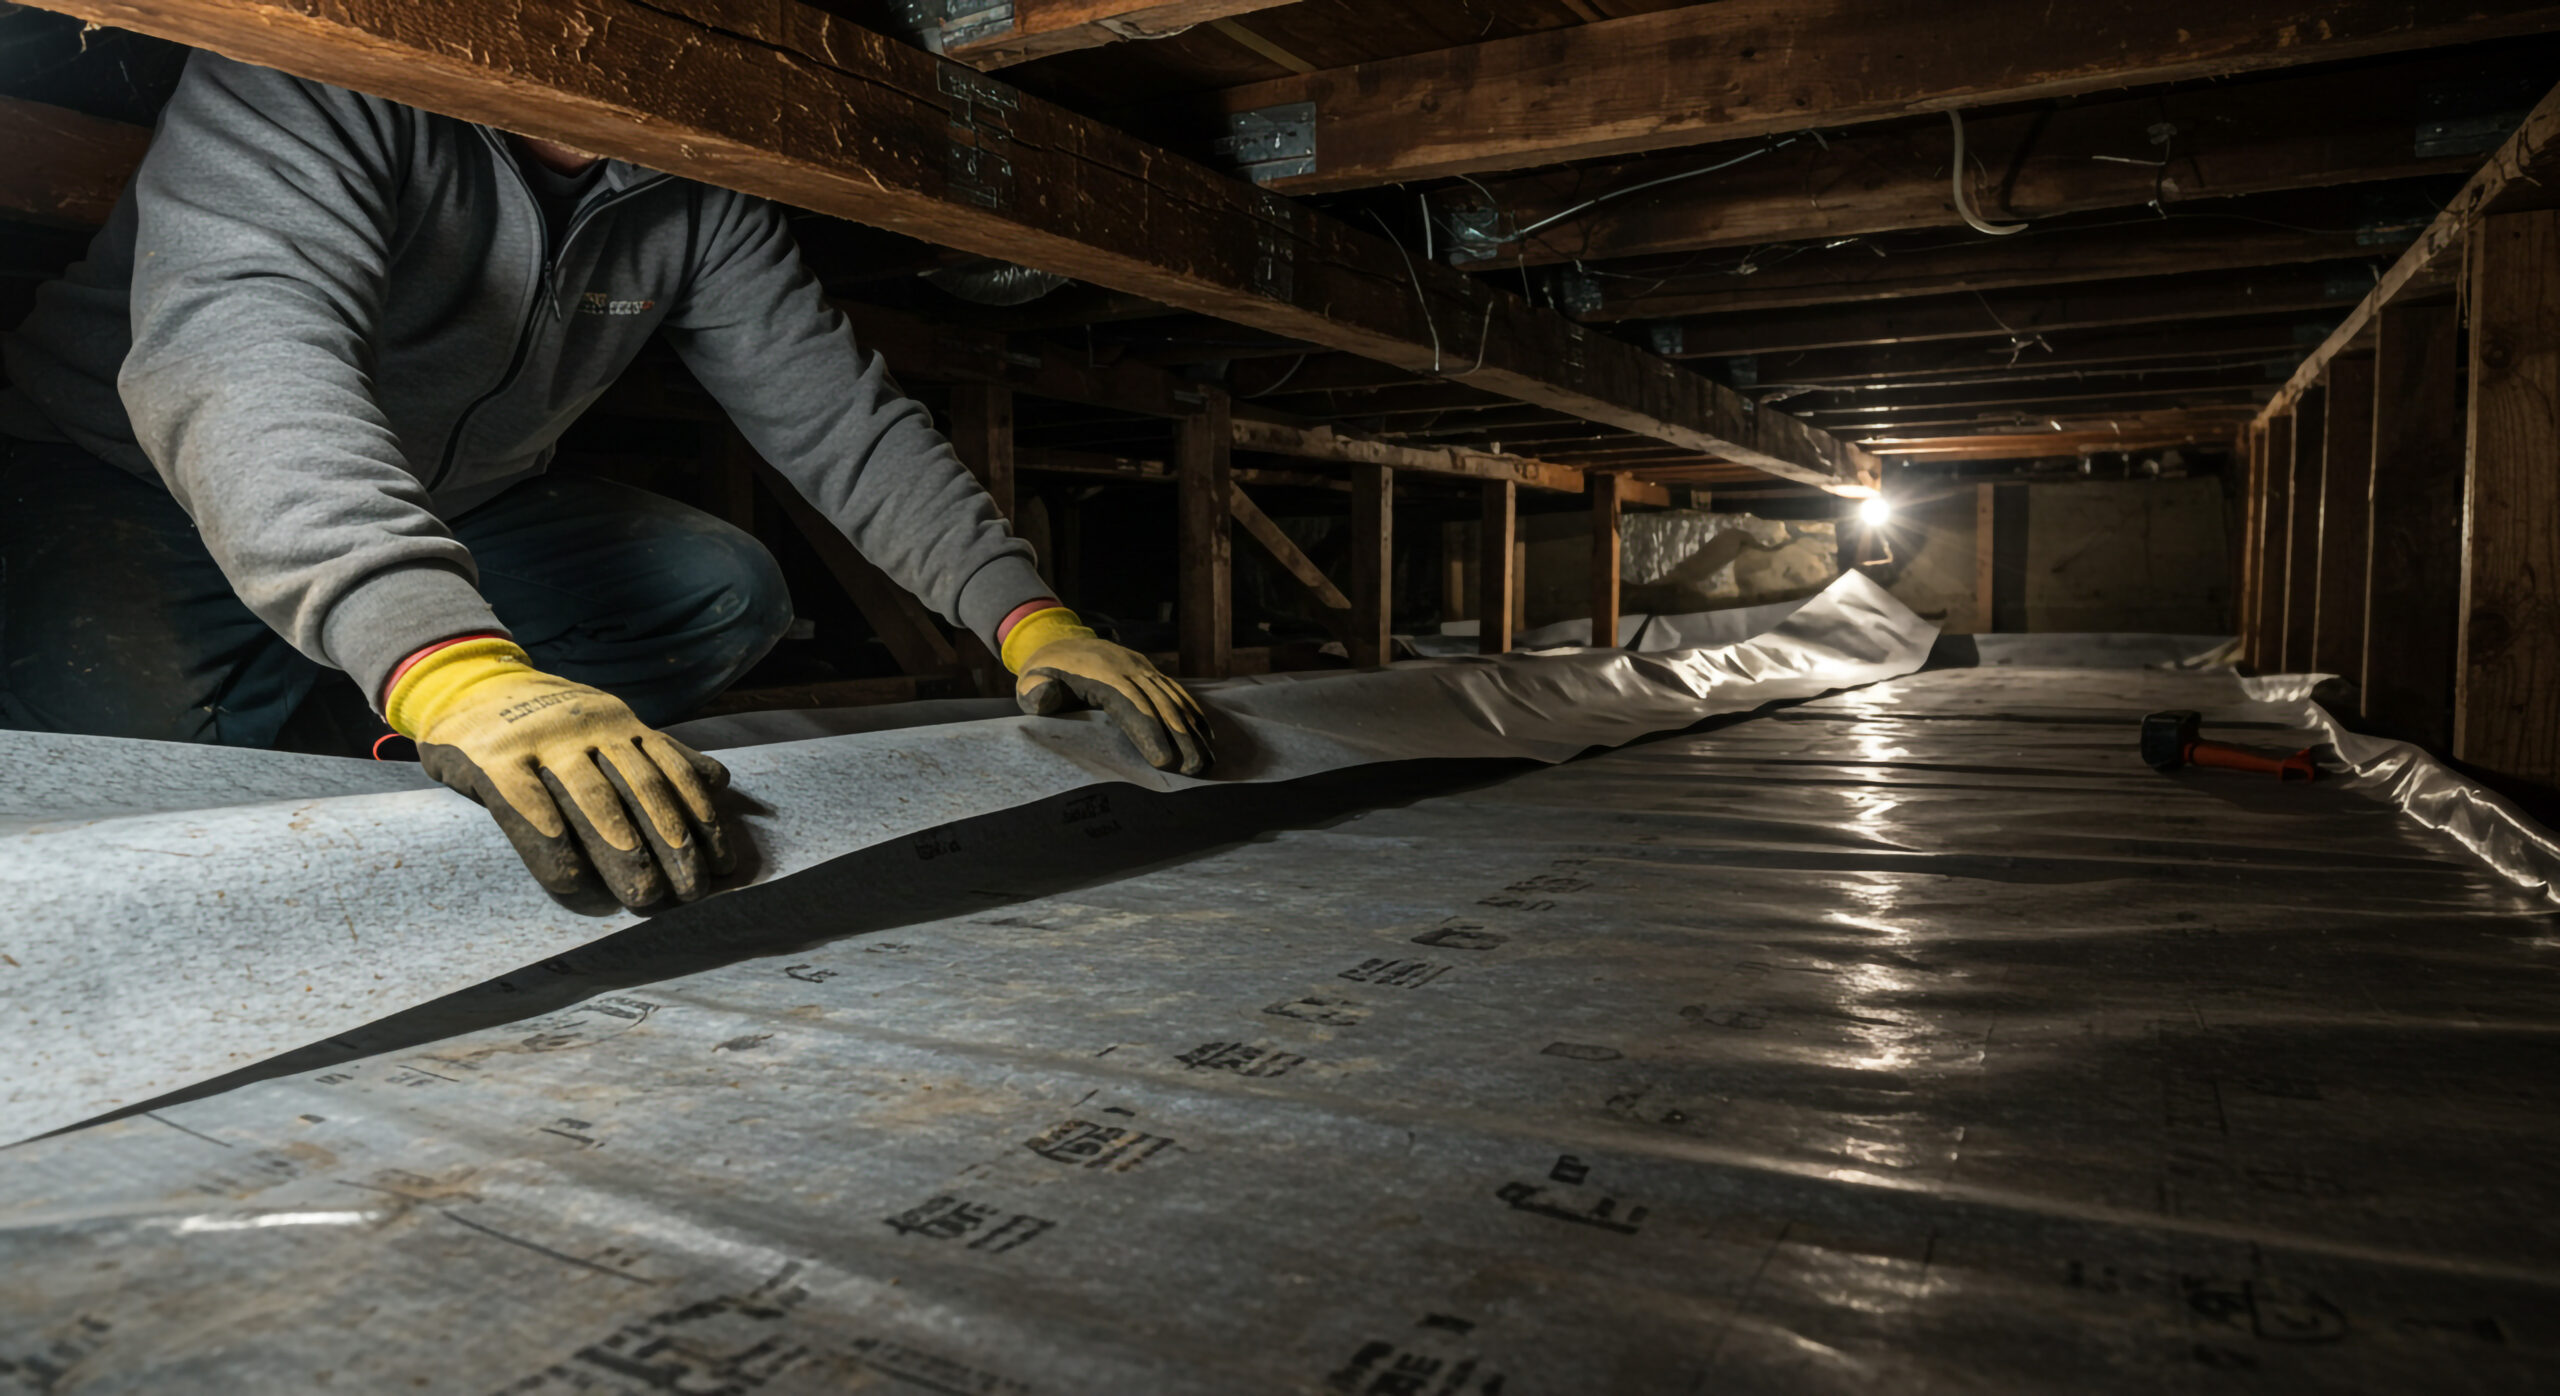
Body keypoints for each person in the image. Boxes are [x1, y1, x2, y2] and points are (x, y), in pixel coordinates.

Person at [0, 52, 1212, 911]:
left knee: (717, 586)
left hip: (444, 502)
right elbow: (242, 355)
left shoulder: (698, 196)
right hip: (118, 478)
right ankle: (393, 686)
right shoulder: (315, 64)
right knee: (150, 788)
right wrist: (452, 663)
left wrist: (1029, 615)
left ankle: (357, 703)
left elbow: (835, 411)